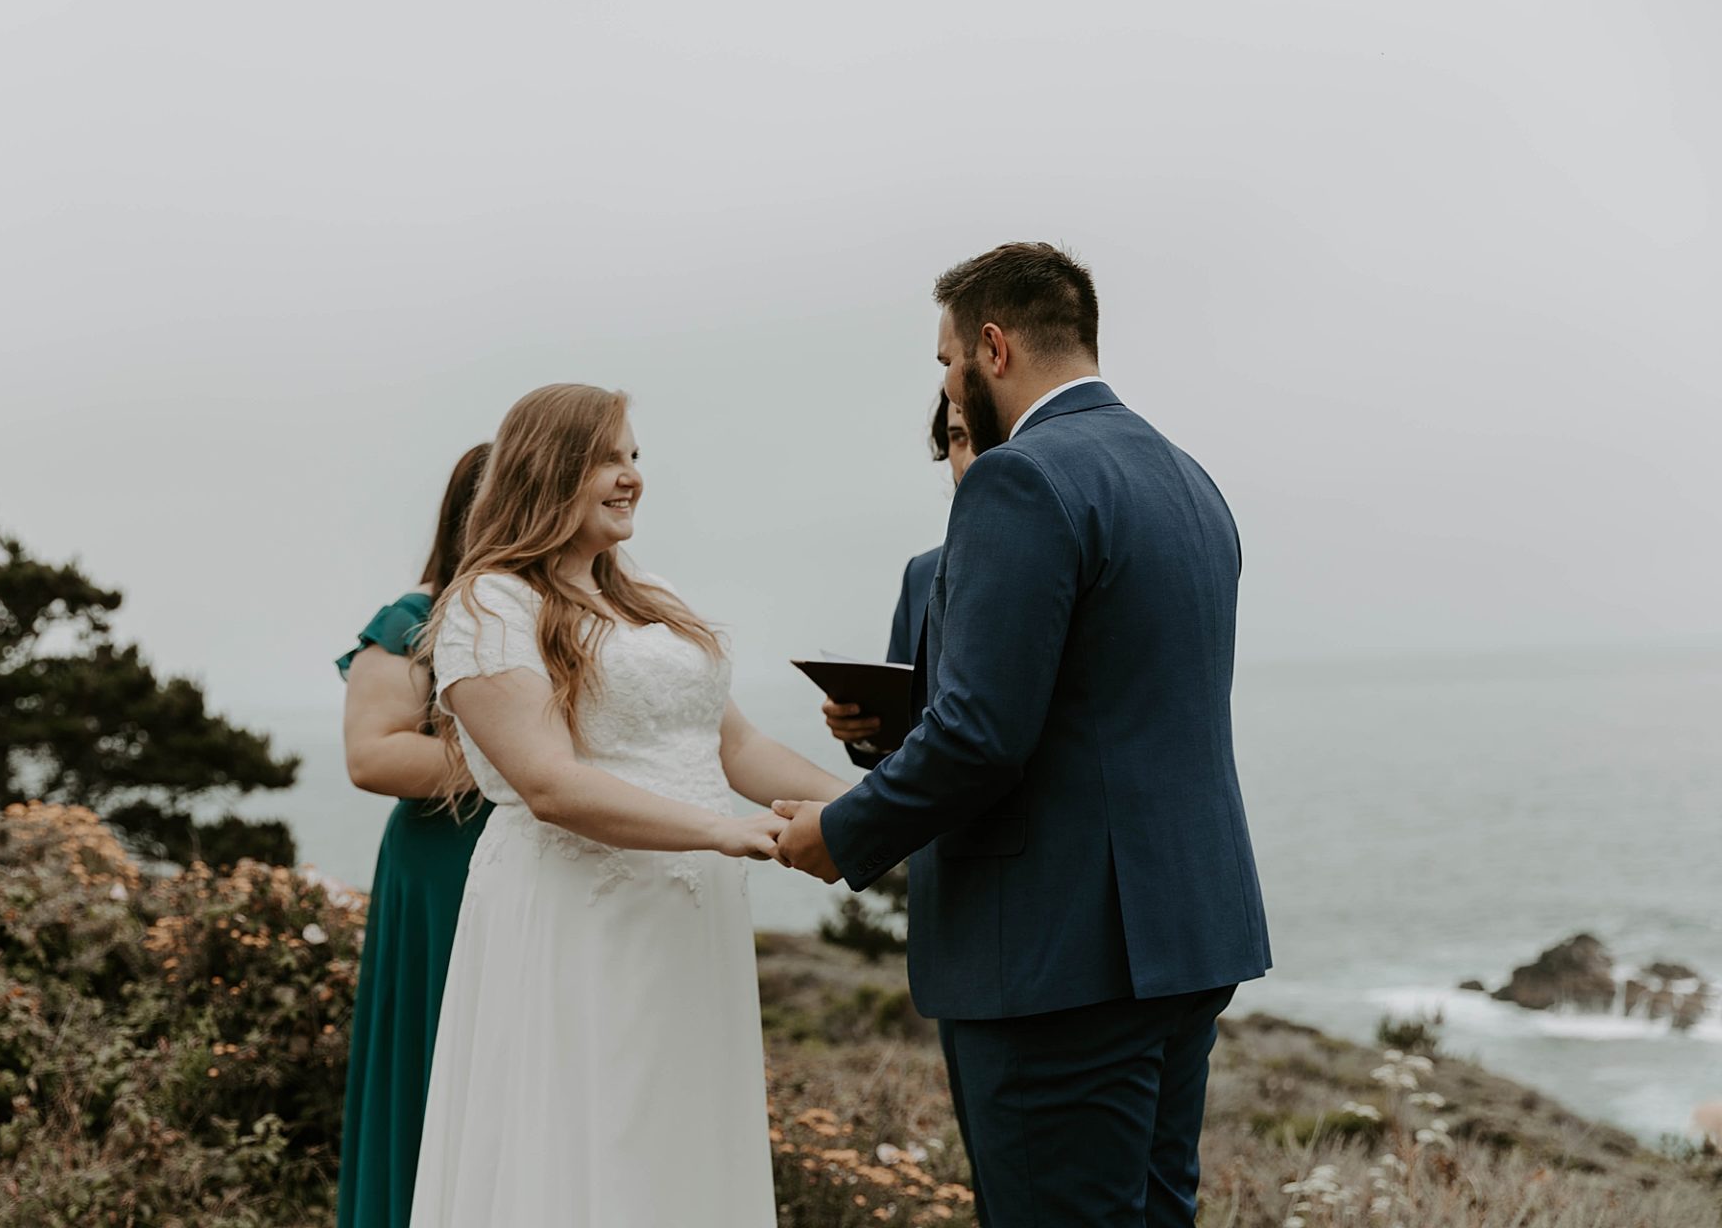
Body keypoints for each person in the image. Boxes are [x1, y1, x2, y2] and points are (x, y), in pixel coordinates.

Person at [774, 243, 1271, 1228]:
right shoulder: (1187, 480)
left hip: (1052, 958)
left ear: (991, 348)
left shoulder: (1022, 479)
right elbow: (1093, 704)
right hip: (1180, 940)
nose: (946, 377)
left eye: (946, 358)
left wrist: (843, 834)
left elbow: (982, 733)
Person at [406, 383, 848, 1225]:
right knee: (591, 1133)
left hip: (690, 918)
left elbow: (738, 749)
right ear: (548, 467)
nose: (631, 476)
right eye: (609, 457)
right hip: (577, 914)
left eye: (635, 457)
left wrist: (878, 804)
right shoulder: (489, 603)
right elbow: (547, 782)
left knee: (678, 1136)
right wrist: (720, 830)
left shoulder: (653, 594)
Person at [334, 443, 493, 1228]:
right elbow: (372, 755)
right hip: (445, 869)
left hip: (547, 861)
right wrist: (523, 763)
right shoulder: (412, 620)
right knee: (436, 1071)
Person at [824, 385, 975, 770]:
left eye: (984, 436)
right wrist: (864, 730)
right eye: (958, 438)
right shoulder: (920, 574)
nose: (970, 459)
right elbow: (901, 726)